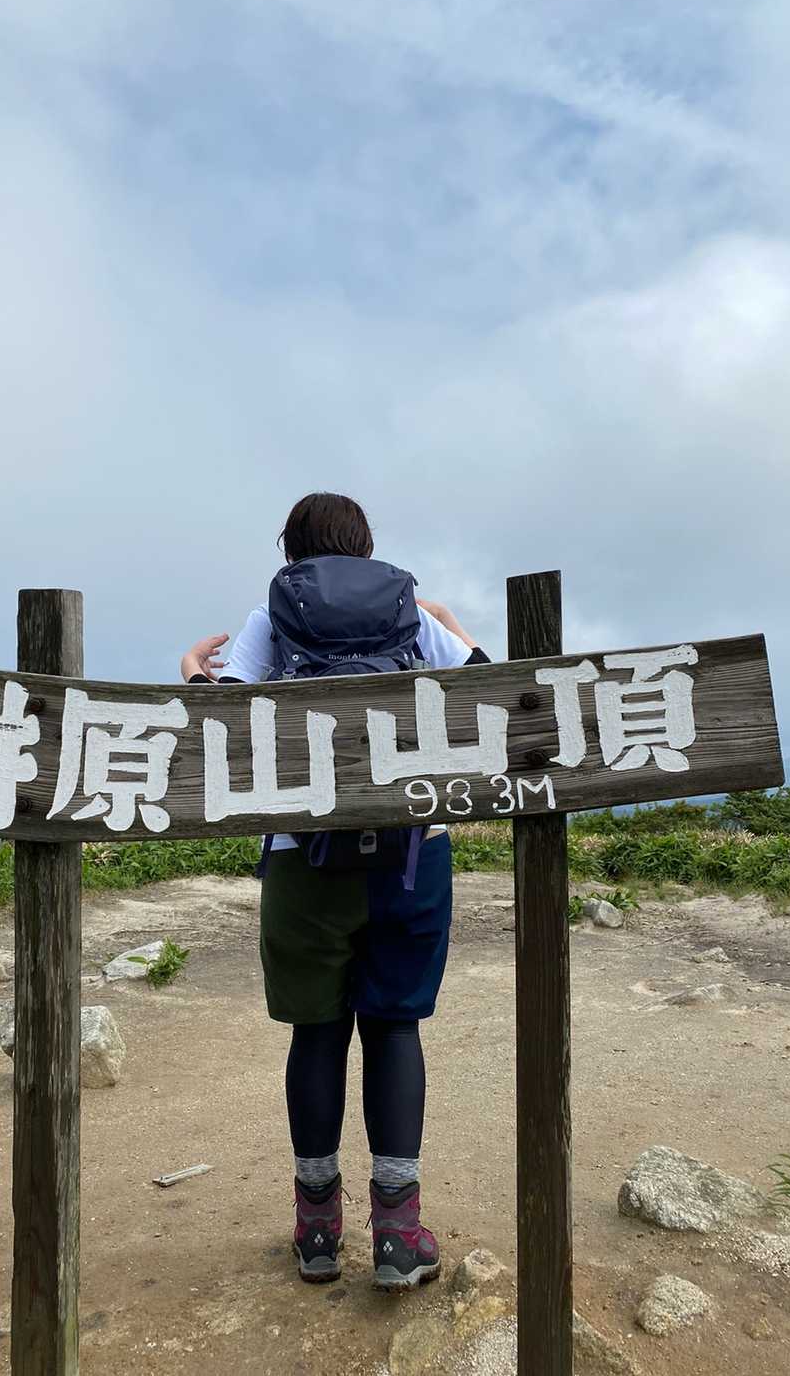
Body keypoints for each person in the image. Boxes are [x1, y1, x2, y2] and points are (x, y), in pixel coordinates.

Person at [180, 493, 490, 1291]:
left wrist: (192, 676)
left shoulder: (270, 616)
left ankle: (317, 1231)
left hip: (302, 860)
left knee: (316, 1033)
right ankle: (398, 1235)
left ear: (293, 553)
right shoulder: (411, 613)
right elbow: (492, 695)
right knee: (394, 1028)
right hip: (411, 856)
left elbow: (227, 730)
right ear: (366, 547)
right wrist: (454, 628)